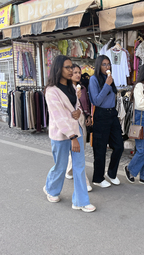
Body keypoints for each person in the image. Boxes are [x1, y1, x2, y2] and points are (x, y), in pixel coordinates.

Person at [43, 55, 95, 213]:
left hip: (76, 131)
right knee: (61, 166)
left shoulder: (73, 87)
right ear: (59, 69)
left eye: (72, 67)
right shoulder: (51, 91)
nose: (72, 70)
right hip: (61, 135)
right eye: (68, 67)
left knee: (79, 166)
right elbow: (59, 116)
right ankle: (51, 188)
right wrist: (72, 137)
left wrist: (78, 111)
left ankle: (81, 201)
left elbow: (76, 106)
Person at [88, 55, 124, 188]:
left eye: (108, 64)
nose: (107, 67)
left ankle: (112, 173)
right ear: (99, 66)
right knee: (100, 149)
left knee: (119, 146)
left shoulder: (109, 79)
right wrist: (107, 85)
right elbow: (96, 101)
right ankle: (98, 178)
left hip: (112, 114)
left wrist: (110, 84)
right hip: (101, 115)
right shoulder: (94, 79)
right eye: (104, 64)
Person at [65, 64, 93, 192]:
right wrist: (75, 96)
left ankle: (69, 170)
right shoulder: (66, 89)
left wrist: (88, 115)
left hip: (81, 121)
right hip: (72, 123)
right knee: (79, 153)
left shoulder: (82, 87)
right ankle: (83, 180)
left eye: (79, 72)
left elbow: (85, 103)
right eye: (74, 72)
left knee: (81, 149)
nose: (77, 74)